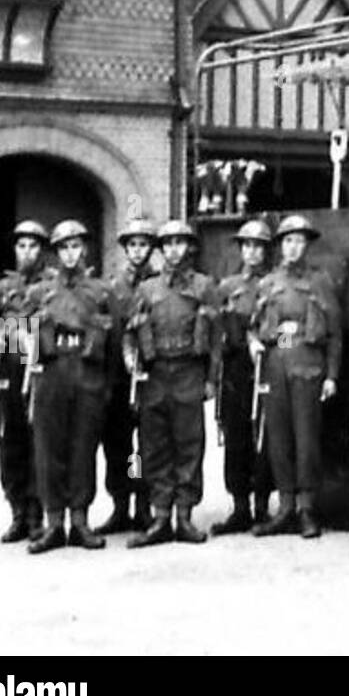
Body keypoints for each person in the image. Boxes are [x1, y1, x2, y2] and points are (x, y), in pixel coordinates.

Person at [25, 220, 119, 554]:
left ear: (85, 249)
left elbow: (114, 346)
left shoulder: (101, 292)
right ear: (55, 253)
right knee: (49, 451)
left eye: (75, 246)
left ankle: (80, 520)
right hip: (51, 374)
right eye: (63, 247)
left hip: (86, 373)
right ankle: (53, 523)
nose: (69, 253)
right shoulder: (38, 293)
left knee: (83, 448)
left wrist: (107, 386)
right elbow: (22, 338)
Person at [125, 220, 220, 547]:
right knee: (155, 448)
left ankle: (185, 517)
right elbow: (130, 332)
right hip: (155, 375)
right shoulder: (147, 289)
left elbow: (217, 340)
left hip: (189, 373)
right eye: (167, 245)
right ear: (160, 250)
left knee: (189, 446)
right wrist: (130, 360)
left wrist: (211, 380)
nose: (173, 250)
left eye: (180, 243)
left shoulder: (204, 287)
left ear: (189, 247)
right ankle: (160, 517)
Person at [249, 215, 342, 539]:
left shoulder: (320, 282)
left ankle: (306, 509)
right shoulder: (268, 283)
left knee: (307, 441)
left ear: (307, 246)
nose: (293, 247)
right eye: (288, 240)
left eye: (299, 241)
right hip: (276, 366)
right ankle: (285, 506)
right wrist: (255, 342)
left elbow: (334, 333)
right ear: (280, 246)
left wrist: (332, 375)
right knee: (278, 440)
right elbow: (254, 326)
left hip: (308, 366)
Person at [0, 220, 50, 543]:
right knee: (9, 442)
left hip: (39, 372)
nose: (27, 252)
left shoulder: (51, 285)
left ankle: (38, 514)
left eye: (33, 246)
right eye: (21, 245)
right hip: (7, 373)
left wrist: (33, 337)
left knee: (38, 442)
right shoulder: (3, 287)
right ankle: (17, 514)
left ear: (43, 251)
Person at [212, 220, 275, 534]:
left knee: (264, 437)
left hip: (267, 367)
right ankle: (239, 507)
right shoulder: (227, 287)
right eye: (247, 246)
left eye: (259, 246)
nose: (252, 252)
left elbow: (292, 334)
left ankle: (262, 506)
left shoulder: (276, 285)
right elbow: (216, 331)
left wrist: (273, 344)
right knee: (235, 437)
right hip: (236, 370)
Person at [95, 218, 157, 536]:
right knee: (118, 445)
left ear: (151, 249)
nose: (138, 251)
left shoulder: (159, 284)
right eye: (132, 245)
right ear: (125, 249)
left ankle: (143, 505)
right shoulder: (110, 288)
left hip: (150, 378)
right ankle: (121, 505)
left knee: (144, 447)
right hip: (117, 379)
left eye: (144, 244)